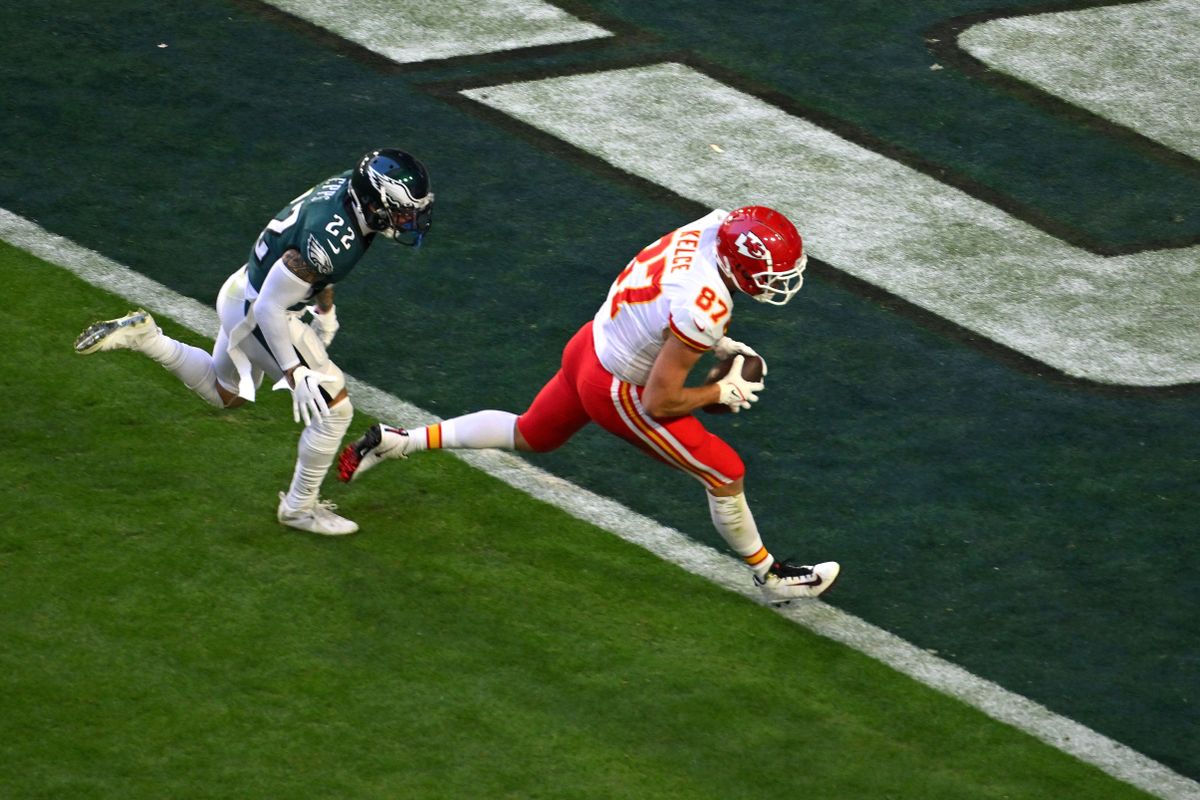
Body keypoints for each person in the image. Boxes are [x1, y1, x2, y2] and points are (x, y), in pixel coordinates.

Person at [337, 206, 840, 603]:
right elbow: (661, 401)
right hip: (618, 387)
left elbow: (668, 299)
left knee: (531, 433)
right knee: (724, 470)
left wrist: (711, 345)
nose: (777, 279)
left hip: (591, 342)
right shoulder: (706, 302)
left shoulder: (711, 226)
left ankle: (400, 441)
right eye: (769, 271)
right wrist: (717, 391)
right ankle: (771, 576)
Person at [73, 148, 435, 536]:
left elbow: (305, 265)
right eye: (400, 210)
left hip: (243, 288)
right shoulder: (335, 239)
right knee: (335, 410)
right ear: (374, 202)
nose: (408, 219)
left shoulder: (349, 192)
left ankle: (146, 337)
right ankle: (299, 508)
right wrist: (294, 372)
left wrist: (324, 313)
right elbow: (271, 306)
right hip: (261, 311)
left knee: (226, 392)